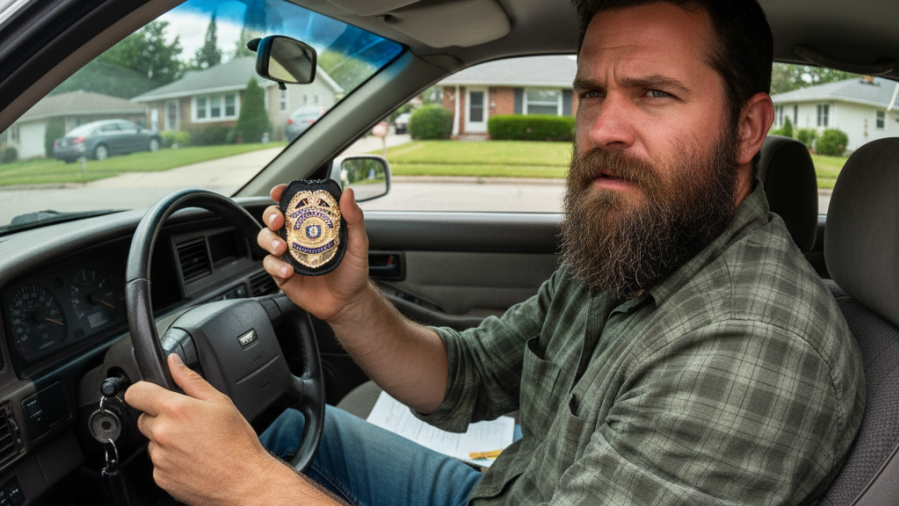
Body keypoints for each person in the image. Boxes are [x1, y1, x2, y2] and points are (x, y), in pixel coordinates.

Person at [124, 0, 865, 504]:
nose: (603, 128)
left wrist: (251, 487)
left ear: (746, 128)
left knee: (255, 461)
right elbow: (467, 377)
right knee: (280, 433)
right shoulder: (633, 247)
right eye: (589, 93)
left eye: (653, 94)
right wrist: (350, 304)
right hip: (503, 489)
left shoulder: (755, 347)